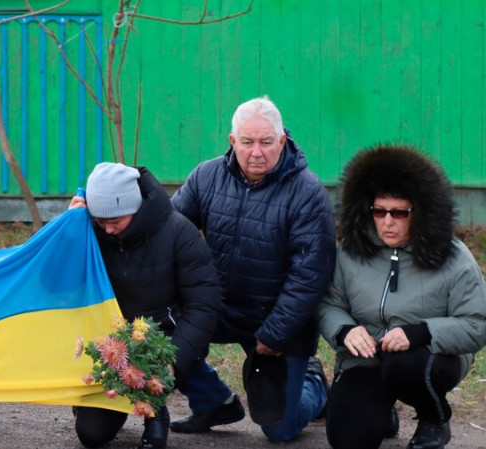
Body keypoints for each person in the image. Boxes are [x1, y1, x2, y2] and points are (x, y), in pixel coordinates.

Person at [169, 96, 336, 441]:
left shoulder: (308, 193)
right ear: (233, 141)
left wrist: (276, 332)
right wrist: (94, 214)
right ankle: (213, 401)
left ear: (282, 140)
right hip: (217, 309)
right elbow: (166, 229)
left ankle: (314, 383)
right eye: (247, 142)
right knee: (161, 322)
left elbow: (309, 276)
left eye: (265, 142)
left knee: (280, 429)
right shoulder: (206, 176)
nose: (256, 152)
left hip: (274, 319)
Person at [317, 144, 486, 449]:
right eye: (379, 211)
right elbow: (330, 303)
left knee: (402, 365)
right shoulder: (350, 251)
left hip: (426, 357)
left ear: (418, 212)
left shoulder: (454, 257)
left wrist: (420, 332)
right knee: (346, 440)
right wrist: (344, 330)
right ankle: (383, 413)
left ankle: (434, 419)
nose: (387, 221)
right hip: (365, 360)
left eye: (398, 212)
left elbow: (477, 324)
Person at [68, 162, 226, 449]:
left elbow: (203, 305)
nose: (108, 229)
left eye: (115, 221)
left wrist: (173, 360)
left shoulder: (179, 232)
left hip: (165, 341)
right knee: (90, 434)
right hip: (110, 347)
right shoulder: (90, 230)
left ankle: (156, 413)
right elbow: (54, 284)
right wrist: (69, 231)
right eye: (100, 222)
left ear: (135, 206)